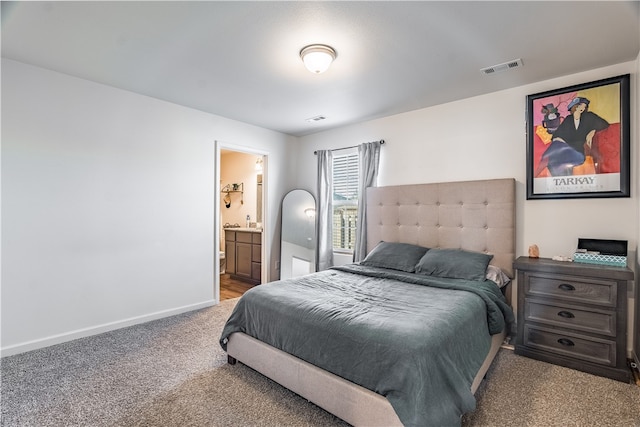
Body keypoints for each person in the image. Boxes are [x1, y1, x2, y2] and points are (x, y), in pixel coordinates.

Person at [536, 96, 609, 176]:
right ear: (574, 107)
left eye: (584, 106)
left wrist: (593, 131)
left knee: (552, 154)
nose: (582, 108)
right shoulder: (568, 119)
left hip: (577, 153)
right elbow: (556, 136)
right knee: (555, 153)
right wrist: (561, 142)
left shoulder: (589, 117)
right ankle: (560, 181)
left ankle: (540, 169)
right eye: (580, 105)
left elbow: (605, 124)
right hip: (563, 151)